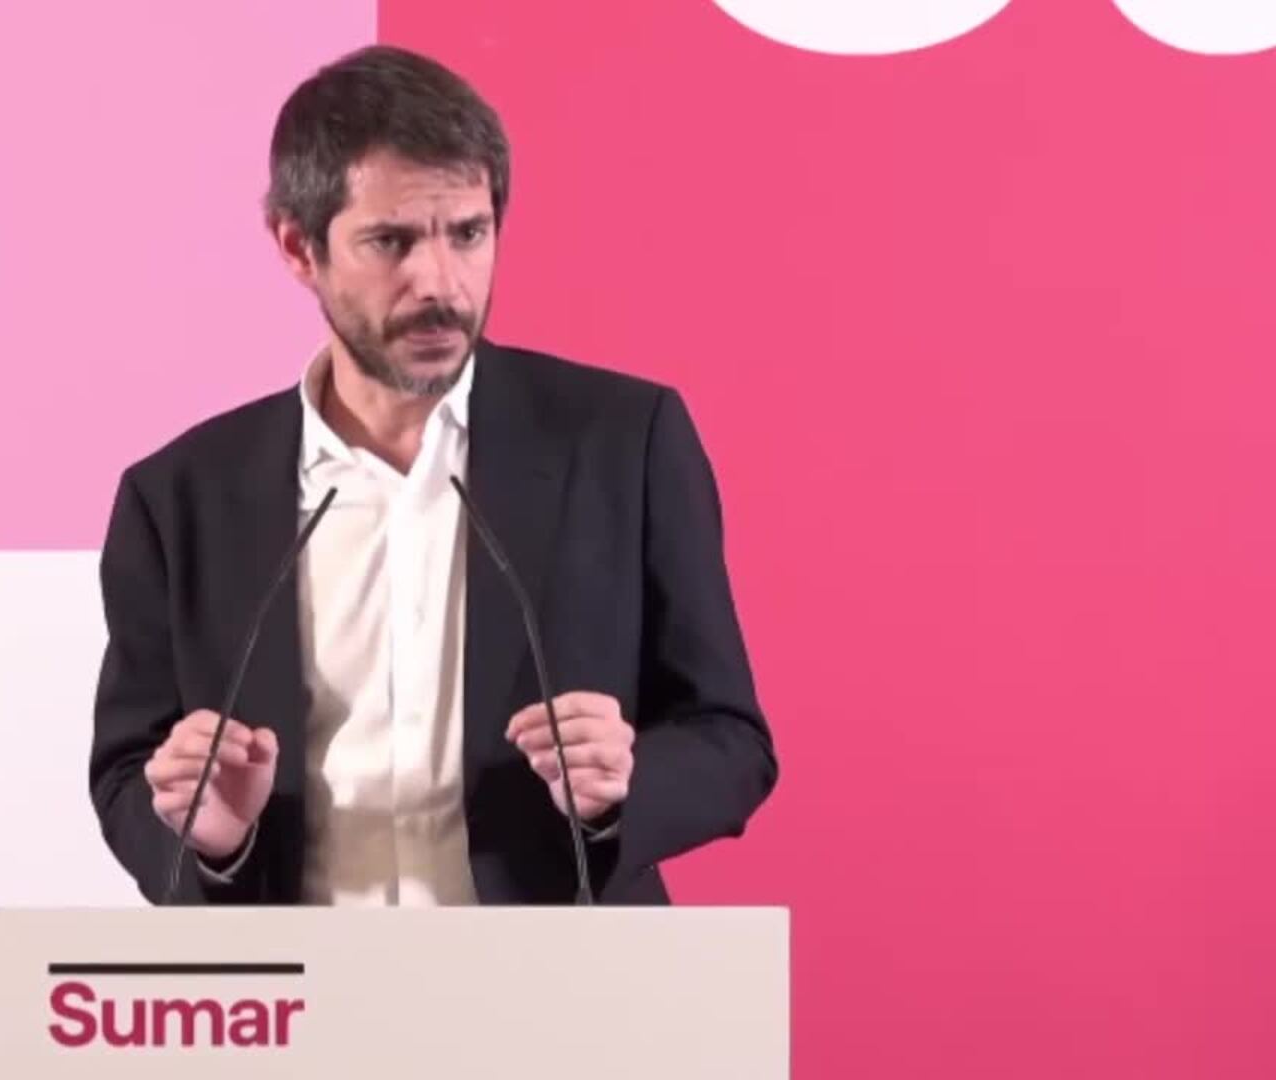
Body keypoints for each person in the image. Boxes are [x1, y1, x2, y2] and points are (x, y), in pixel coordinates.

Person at [86, 44, 777, 905]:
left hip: (560, 978)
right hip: (301, 982)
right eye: (392, 241)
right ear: (299, 247)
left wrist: (624, 785)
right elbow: (128, 771)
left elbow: (729, 739)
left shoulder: (622, 443)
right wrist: (210, 837)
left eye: (468, 234)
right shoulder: (180, 497)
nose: (440, 284)